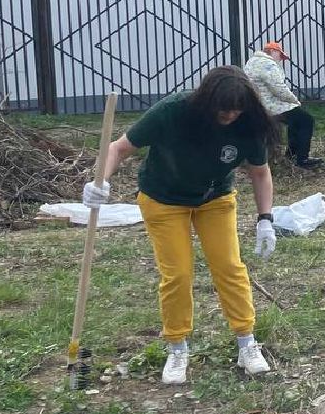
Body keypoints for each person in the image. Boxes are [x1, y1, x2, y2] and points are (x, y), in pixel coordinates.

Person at [80, 67, 277, 385]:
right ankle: (177, 348)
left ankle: (246, 344)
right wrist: (99, 181)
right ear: (207, 102)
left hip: (214, 200)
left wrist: (265, 219)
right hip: (163, 199)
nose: (229, 116)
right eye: (223, 110)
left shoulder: (249, 124)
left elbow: (259, 172)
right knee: (178, 273)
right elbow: (118, 148)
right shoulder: (173, 112)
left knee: (229, 267)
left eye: (236, 110)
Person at [243, 41, 321, 169]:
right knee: (306, 120)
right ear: (274, 51)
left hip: (256, 105)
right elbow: (278, 88)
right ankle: (302, 159)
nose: (280, 60)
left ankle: (291, 155)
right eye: (280, 56)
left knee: (295, 120)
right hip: (271, 107)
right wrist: (294, 100)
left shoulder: (251, 62)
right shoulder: (268, 64)